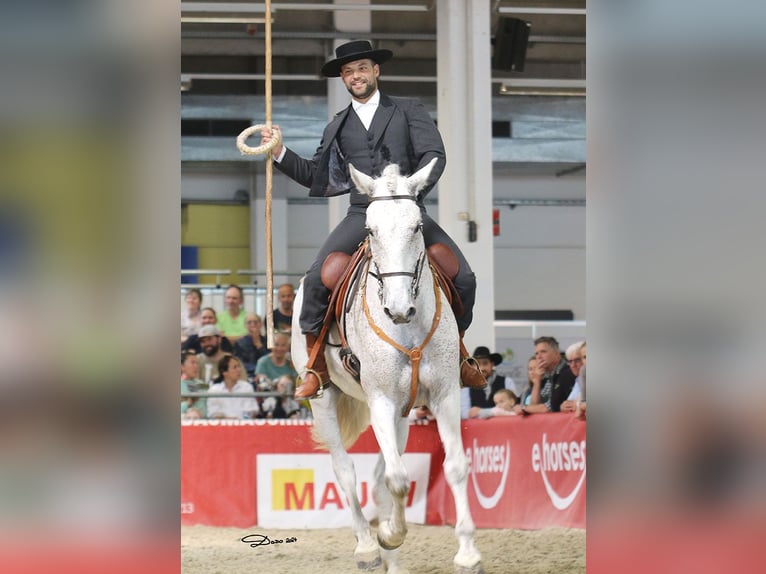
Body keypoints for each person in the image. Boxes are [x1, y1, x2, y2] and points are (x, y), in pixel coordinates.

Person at [259, 39, 485, 399]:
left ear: (375, 70)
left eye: (361, 68)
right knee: (316, 280)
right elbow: (318, 175)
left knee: (466, 278)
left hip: (408, 209)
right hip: (362, 214)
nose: (355, 76)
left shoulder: (409, 110)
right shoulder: (337, 125)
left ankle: (457, 356)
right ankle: (317, 367)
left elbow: (434, 155)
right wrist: (279, 152)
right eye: (348, 72)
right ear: (344, 80)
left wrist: (411, 191)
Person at [512, 336, 575, 415]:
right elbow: (534, 406)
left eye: (543, 352)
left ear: (556, 353)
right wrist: (537, 380)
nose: (539, 356)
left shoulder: (568, 372)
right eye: (536, 353)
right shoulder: (546, 377)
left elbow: (549, 408)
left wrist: (523, 408)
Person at [460, 346, 515, 419]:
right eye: (478, 364)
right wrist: (495, 412)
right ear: (472, 366)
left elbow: (512, 407)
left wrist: (481, 412)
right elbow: (464, 414)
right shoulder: (466, 387)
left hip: (503, 428)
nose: (481, 368)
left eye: (485, 363)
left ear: (492, 364)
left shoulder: (507, 381)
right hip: (477, 429)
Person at [206, 355, 260, 420]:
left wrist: (241, 422)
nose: (239, 370)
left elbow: (250, 411)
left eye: (239, 366)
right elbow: (214, 414)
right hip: (221, 427)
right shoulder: (214, 390)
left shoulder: (246, 387)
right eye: (235, 367)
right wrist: (229, 421)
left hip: (243, 426)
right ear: (224, 372)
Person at [233, 312, 270, 377]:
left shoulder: (267, 341)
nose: (253, 325)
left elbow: (270, 360)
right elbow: (239, 362)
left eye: (255, 322)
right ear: (245, 325)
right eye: (249, 323)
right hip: (247, 374)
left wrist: (259, 345)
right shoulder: (240, 343)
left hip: (266, 373)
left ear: (261, 324)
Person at [181, 350, 207, 419]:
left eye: (197, 363)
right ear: (182, 366)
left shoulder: (202, 384)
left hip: (203, 424)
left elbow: (208, 407)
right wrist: (187, 403)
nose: (196, 366)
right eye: (192, 363)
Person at [560, 341, 585, 413]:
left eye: (577, 360)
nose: (573, 365)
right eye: (570, 361)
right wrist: (563, 406)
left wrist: (577, 405)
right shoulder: (578, 380)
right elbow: (570, 403)